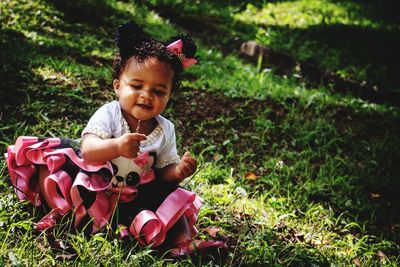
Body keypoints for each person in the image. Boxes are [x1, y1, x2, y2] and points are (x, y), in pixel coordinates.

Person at [5, 22, 226, 258]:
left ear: (170, 96)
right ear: (118, 87)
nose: (146, 95)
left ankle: (183, 243)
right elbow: (88, 151)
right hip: (96, 184)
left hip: (134, 194)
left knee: (173, 197)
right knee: (58, 170)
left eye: (159, 91)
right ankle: (58, 213)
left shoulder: (165, 129)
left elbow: (163, 171)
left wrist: (178, 171)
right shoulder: (110, 114)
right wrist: (117, 146)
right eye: (137, 85)